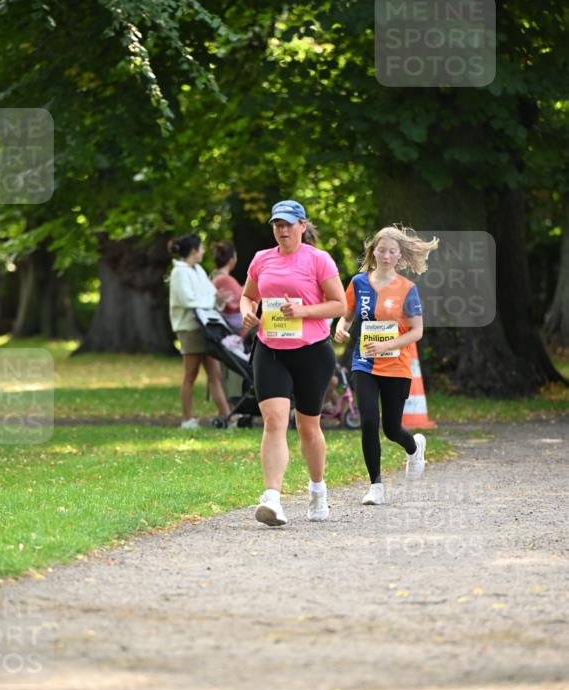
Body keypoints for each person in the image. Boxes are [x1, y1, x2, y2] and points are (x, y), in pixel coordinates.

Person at [239, 200, 347, 526]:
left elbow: (339, 305)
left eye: (288, 224)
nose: (282, 230)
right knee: (274, 420)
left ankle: (317, 489)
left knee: (308, 426)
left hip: (311, 352)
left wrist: (302, 312)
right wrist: (247, 310)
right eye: (276, 225)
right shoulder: (262, 259)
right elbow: (249, 295)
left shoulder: (318, 260)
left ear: (302, 225)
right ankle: (272, 498)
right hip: (270, 349)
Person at [334, 225, 439, 505]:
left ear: (400, 256)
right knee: (368, 421)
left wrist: (386, 346)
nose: (386, 255)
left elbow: (416, 331)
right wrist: (341, 328)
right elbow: (345, 315)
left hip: (396, 366)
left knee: (391, 429)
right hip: (364, 363)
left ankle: (414, 447)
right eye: (382, 250)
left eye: (392, 251)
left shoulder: (408, 289)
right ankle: (376, 486)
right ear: (373, 251)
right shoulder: (358, 282)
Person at [168, 234, 231, 428]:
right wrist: (212, 301)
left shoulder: (198, 270)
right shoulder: (180, 272)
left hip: (206, 327)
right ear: (194, 251)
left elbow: (210, 294)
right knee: (191, 374)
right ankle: (187, 418)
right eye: (201, 248)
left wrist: (219, 300)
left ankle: (226, 415)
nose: (204, 251)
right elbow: (187, 300)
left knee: (215, 373)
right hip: (189, 328)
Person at [210, 241, 243, 334]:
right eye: (236, 256)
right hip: (233, 326)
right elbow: (242, 298)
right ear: (231, 260)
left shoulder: (213, 276)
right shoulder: (224, 279)